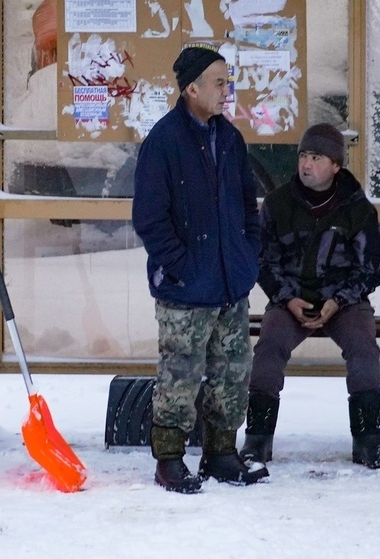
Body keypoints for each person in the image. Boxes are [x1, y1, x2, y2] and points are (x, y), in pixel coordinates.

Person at [132, 45, 268, 493]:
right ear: (192, 88)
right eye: (218, 82)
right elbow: (150, 218)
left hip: (231, 282)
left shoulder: (229, 138)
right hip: (185, 287)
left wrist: (247, 256)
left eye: (227, 81)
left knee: (233, 370)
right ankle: (169, 459)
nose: (225, 90)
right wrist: (183, 266)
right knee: (180, 373)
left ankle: (221, 453)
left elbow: (249, 206)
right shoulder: (164, 141)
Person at [240, 123, 380, 469]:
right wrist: (287, 298)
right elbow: (263, 260)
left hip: (343, 302)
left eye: (316, 157)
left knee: (365, 352)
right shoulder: (277, 203)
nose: (306, 164)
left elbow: (371, 268)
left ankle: (369, 441)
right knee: (269, 350)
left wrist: (340, 300)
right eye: (303, 155)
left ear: (336, 165)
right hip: (291, 299)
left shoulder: (359, 210)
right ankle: (257, 441)